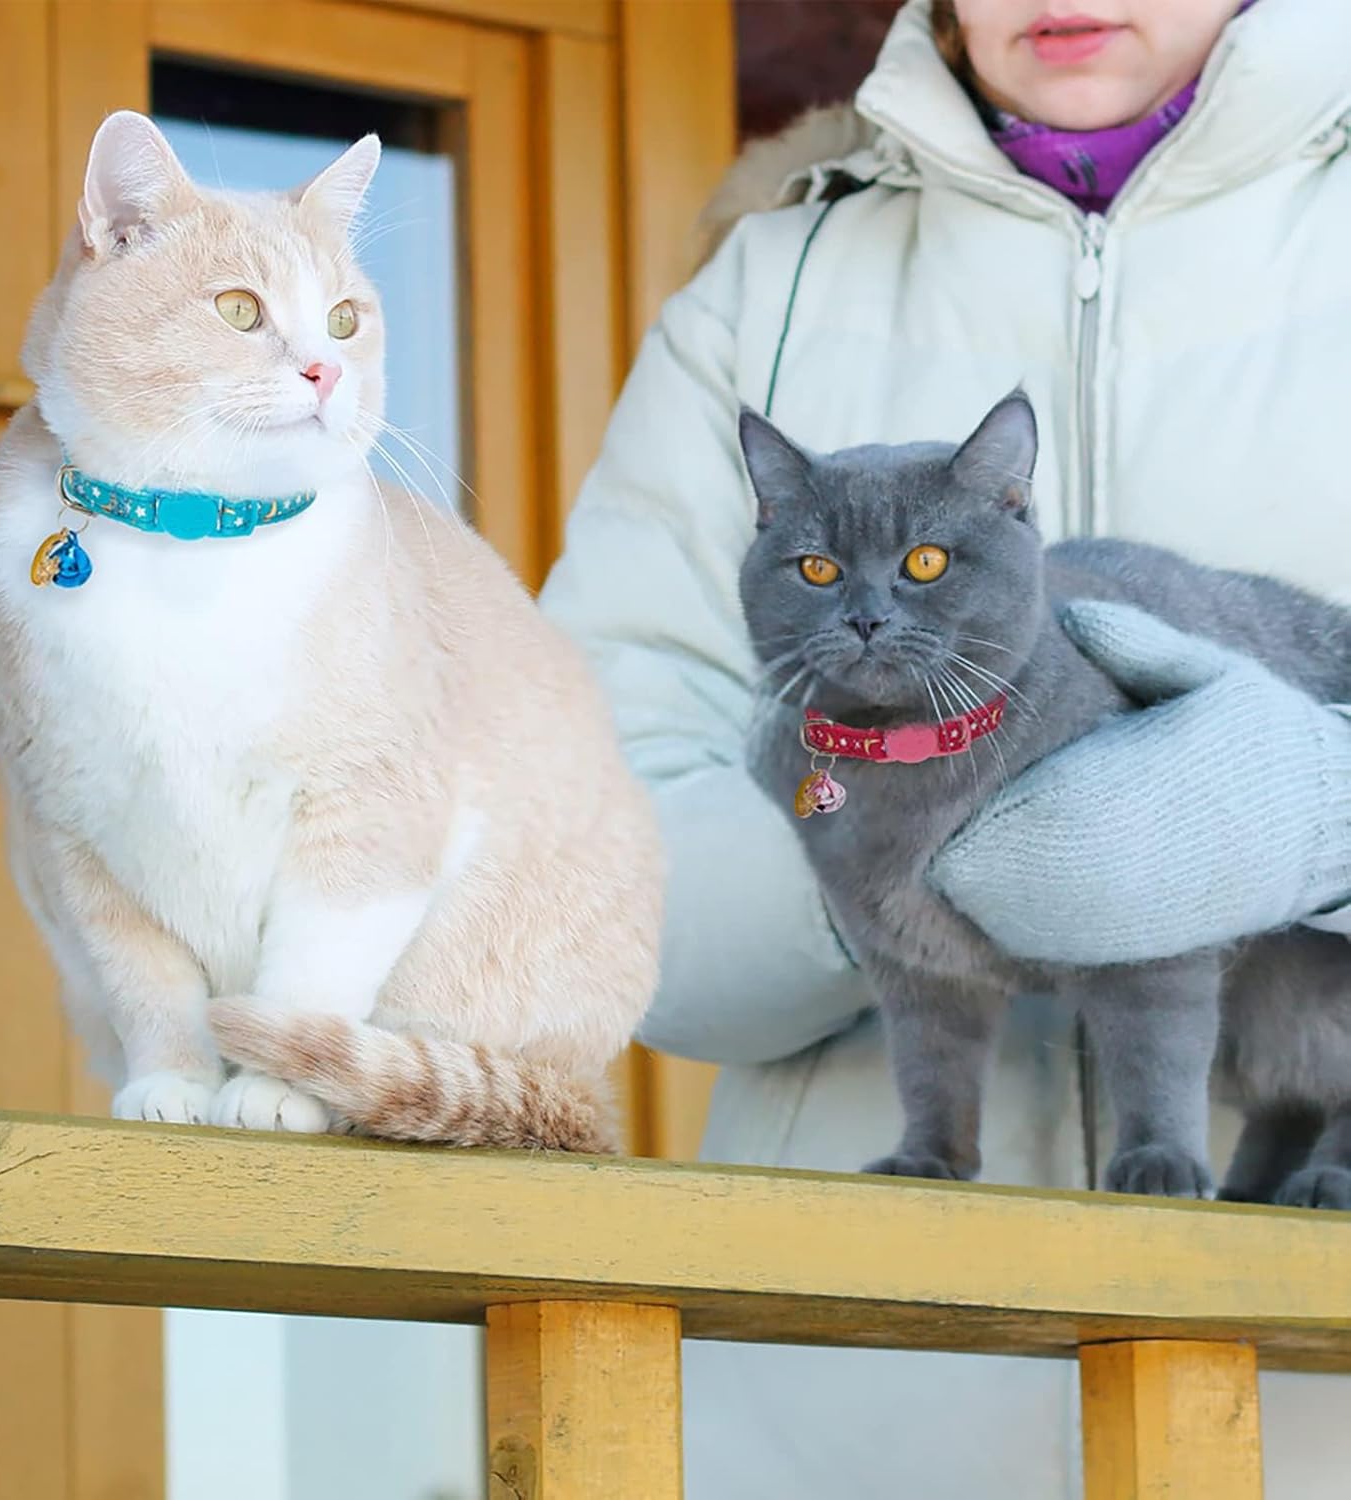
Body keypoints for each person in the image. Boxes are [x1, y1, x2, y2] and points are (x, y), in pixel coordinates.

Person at [540, 1, 1351, 1494]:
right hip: (863, 1391)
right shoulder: (771, 283)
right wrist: (886, 866)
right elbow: (572, 830)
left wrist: (1317, 816)